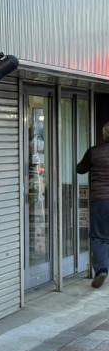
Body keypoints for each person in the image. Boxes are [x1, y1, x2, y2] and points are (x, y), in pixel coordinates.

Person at [76, 122, 109, 288]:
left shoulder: (94, 152)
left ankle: (102, 270)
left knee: (99, 237)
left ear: (104, 135)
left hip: (100, 201)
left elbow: (80, 169)